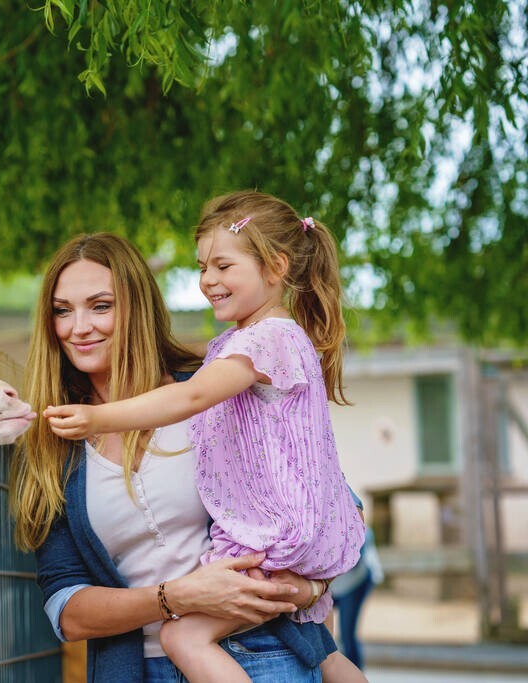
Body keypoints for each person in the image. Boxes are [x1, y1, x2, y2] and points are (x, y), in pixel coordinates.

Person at [45, 191, 367, 683]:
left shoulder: (212, 386)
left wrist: (307, 589)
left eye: (101, 305)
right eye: (63, 310)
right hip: (140, 669)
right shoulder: (56, 442)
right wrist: (174, 597)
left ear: (137, 307)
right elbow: (65, 607)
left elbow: (330, 498)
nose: (80, 327)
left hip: (260, 650)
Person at [330, 527, 384, 670]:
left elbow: (355, 560)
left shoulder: (353, 521)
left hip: (355, 581)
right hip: (335, 584)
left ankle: (355, 671)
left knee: (347, 632)